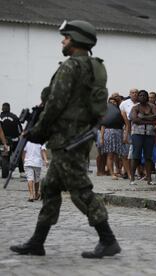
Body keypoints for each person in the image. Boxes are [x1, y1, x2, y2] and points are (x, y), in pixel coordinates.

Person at [10, 20, 121, 258]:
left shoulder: (70, 67)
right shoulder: (91, 67)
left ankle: (108, 240)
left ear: (76, 40)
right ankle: (37, 242)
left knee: (80, 189)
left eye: (67, 37)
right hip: (77, 137)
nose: (63, 41)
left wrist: (37, 131)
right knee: (50, 188)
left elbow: (55, 104)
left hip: (66, 139)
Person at [129, 90, 156, 185]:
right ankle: (132, 178)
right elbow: (135, 119)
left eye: (144, 95)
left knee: (148, 157)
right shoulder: (135, 107)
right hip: (137, 134)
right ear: (138, 97)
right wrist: (149, 119)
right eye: (140, 95)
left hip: (149, 134)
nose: (142, 97)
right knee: (136, 155)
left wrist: (142, 117)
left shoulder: (152, 106)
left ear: (147, 97)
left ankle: (149, 179)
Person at [100, 93, 126, 180]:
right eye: (111, 102)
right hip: (109, 132)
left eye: (114, 102)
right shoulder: (106, 112)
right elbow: (103, 125)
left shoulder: (119, 111)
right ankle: (111, 173)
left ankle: (117, 171)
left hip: (118, 132)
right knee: (110, 155)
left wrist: (123, 136)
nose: (113, 103)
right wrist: (102, 138)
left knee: (117, 154)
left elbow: (123, 126)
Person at [119, 89, 139, 181]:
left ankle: (133, 172)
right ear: (130, 94)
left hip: (137, 129)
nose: (134, 94)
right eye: (133, 92)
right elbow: (122, 117)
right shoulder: (124, 103)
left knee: (134, 153)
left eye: (136, 92)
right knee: (125, 153)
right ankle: (128, 172)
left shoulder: (140, 103)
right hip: (127, 128)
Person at [0, 102, 25, 178]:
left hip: (3, 141)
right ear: (9, 108)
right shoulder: (15, 117)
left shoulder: (0, 117)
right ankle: (21, 172)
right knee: (18, 155)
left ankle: (5, 172)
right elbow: (20, 130)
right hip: (14, 141)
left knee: (5, 156)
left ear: (2, 108)